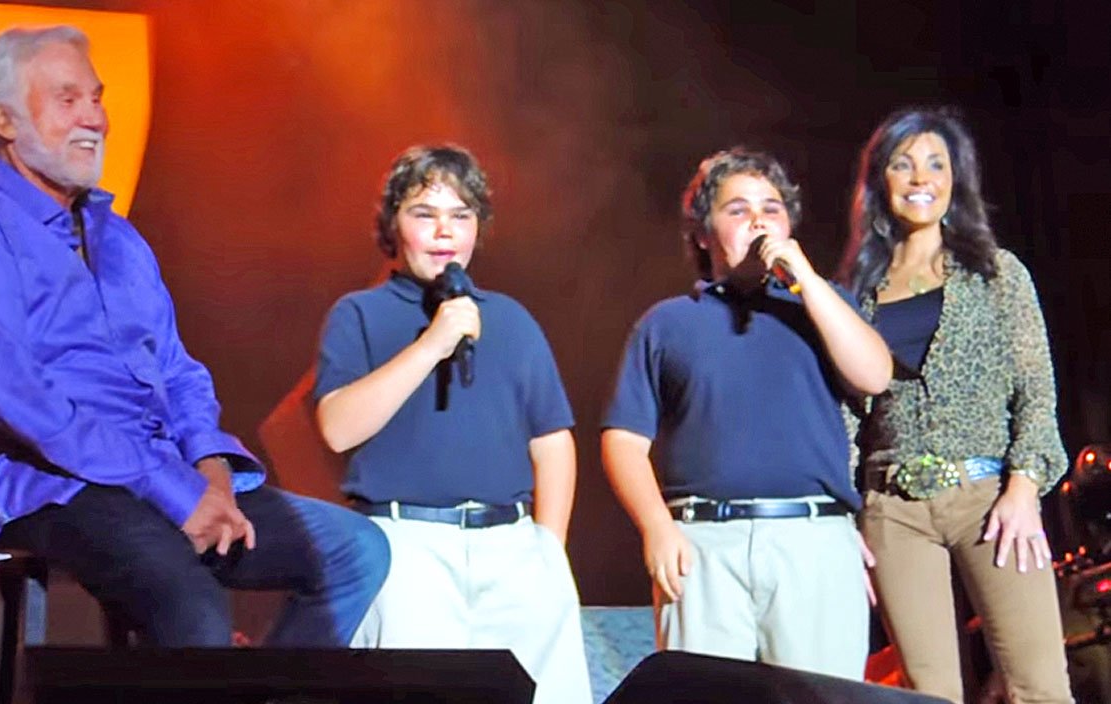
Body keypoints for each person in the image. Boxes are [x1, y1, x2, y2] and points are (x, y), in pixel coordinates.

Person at [0, 25, 388, 648]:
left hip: (160, 476)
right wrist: (176, 493)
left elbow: (178, 371)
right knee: (190, 601)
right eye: (68, 100)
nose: (96, 119)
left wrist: (211, 474)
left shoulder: (120, 239)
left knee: (356, 549)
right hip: (47, 488)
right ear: (3, 118)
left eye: (97, 98)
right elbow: (20, 402)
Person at [312, 145, 591, 703]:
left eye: (460, 216)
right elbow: (337, 428)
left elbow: (552, 440)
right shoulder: (359, 314)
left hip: (512, 548)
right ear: (393, 226)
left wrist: (548, 551)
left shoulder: (510, 318)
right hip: (406, 548)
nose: (444, 232)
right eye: (425, 214)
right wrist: (432, 344)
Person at [601, 148, 892, 679]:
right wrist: (655, 527)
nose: (758, 219)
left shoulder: (824, 306)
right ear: (703, 233)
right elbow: (623, 439)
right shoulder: (666, 324)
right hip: (704, 543)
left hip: (812, 539)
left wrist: (804, 277)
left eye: (772, 207)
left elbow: (874, 375)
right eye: (737, 209)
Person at [840, 106, 1072, 703]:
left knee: (1039, 687)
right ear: (880, 182)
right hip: (892, 509)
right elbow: (846, 415)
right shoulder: (858, 295)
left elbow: (1036, 388)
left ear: (955, 180)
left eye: (936, 165)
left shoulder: (997, 274)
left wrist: (1024, 486)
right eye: (903, 164)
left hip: (989, 501)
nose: (921, 178)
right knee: (928, 694)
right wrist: (844, 513)